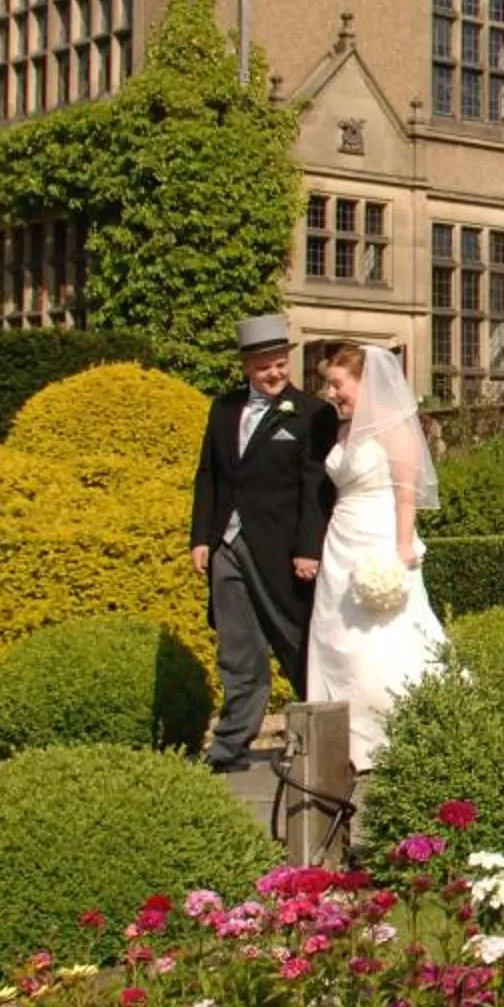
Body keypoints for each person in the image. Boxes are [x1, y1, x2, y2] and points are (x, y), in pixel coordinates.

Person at [188, 315, 338, 772]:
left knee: (296, 642)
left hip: (282, 551)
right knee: (237, 650)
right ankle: (230, 748)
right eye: (262, 368)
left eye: (279, 365)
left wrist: (308, 548)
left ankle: (320, 739)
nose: (273, 375)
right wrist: (200, 538)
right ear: (245, 367)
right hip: (227, 548)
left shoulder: (314, 414)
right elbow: (208, 475)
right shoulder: (223, 409)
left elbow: (317, 489)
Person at [306, 342, 449, 771]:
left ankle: (395, 732)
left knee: (384, 640)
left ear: (363, 381)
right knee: (338, 637)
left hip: (380, 537)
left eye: (338, 384)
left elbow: (407, 494)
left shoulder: (394, 427)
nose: (332, 393)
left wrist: (402, 547)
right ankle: (340, 739)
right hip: (341, 541)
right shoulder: (344, 429)